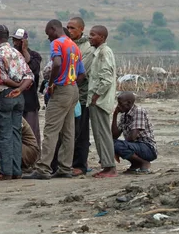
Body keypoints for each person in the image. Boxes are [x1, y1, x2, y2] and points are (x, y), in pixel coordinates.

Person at [24, 19, 85, 180]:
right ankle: (65, 167)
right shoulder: (74, 46)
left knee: (51, 130)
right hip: (73, 90)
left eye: (47, 33)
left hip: (61, 89)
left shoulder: (58, 43)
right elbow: (82, 74)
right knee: (68, 131)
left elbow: (56, 63)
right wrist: (70, 82)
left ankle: (43, 168)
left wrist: (52, 83)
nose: (48, 38)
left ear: (53, 29)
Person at [0, 25, 34, 180]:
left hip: (4, 95)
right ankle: (17, 170)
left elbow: (1, 78)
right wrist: (20, 89)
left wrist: (15, 87)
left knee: (4, 134)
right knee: (16, 133)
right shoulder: (17, 53)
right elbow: (29, 75)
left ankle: (6, 171)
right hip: (19, 97)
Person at [87, 25, 118, 178]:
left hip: (99, 101)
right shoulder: (98, 52)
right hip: (98, 100)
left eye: (93, 35)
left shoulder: (104, 53)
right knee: (100, 133)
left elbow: (106, 79)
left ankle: (109, 167)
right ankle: (106, 165)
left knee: (102, 133)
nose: (90, 37)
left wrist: (96, 96)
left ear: (102, 38)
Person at [66, 17, 95, 176]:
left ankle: (80, 165)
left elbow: (81, 74)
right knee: (69, 131)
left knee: (81, 132)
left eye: (73, 28)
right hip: (68, 96)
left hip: (81, 96)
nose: (69, 31)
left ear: (81, 29)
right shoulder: (66, 44)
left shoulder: (87, 49)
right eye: (68, 28)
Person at [11, 28, 43, 148]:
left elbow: (33, 70)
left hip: (30, 102)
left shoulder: (35, 56)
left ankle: (32, 157)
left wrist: (24, 50)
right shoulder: (11, 56)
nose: (15, 43)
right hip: (14, 99)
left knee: (31, 133)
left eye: (18, 40)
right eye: (14, 40)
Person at [112, 92, 157, 174]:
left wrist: (118, 147)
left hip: (147, 148)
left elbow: (132, 137)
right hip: (137, 146)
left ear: (129, 103)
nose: (118, 106)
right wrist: (115, 115)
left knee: (115, 144)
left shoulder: (138, 111)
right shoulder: (124, 115)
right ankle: (135, 163)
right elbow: (114, 135)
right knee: (111, 143)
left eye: (120, 103)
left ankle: (143, 162)